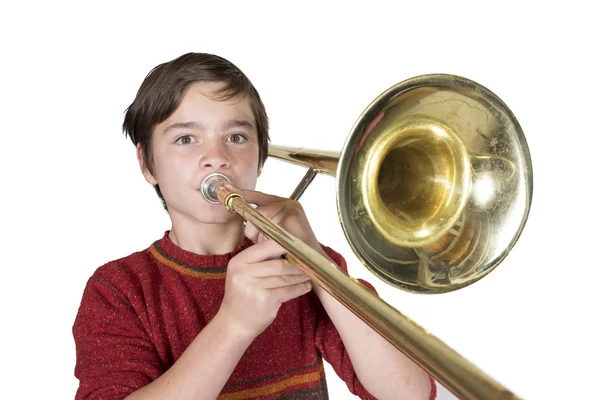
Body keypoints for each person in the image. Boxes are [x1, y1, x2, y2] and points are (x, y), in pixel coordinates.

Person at [72, 52, 436, 400]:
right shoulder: (119, 289)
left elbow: (410, 392)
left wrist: (318, 263)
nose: (216, 157)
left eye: (236, 137)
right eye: (185, 138)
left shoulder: (300, 264)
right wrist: (234, 324)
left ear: (260, 158)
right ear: (147, 164)